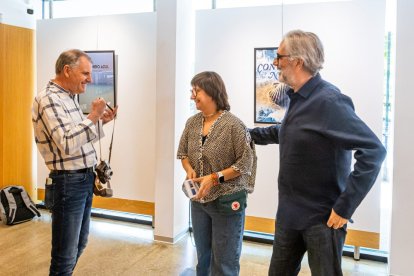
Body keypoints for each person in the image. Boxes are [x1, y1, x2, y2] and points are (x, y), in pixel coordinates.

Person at [249, 30, 386, 276]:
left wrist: (345, 206)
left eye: (279, 56)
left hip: (322, 221)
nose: (275, 62)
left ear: (297, 61)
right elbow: (288, 131)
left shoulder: (330, 101)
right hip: (289, 216)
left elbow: (373, 150)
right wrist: (247, 134)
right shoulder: (296, 98)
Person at [32, 49, 118, 275]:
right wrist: (92, 116)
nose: (90, 79)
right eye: (85, 73)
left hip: (82, 179)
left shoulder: (67, 97)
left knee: (79, 244)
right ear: (67, 70)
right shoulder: (49, 98)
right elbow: (68, 143)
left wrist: (100, 121)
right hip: (68, 183)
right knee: (64, 255)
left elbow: (77, 136)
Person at [177, 71, 256, 276]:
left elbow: (246, 163)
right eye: (192, 91)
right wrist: (189, 169)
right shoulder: (192, 123)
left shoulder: (233, 125)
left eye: (197, 91)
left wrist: (214, 178)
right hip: (199, 200)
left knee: (224, 262)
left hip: (227, 201)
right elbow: (183, 153)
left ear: (212, 92)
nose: (192, 96)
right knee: (204, 259)